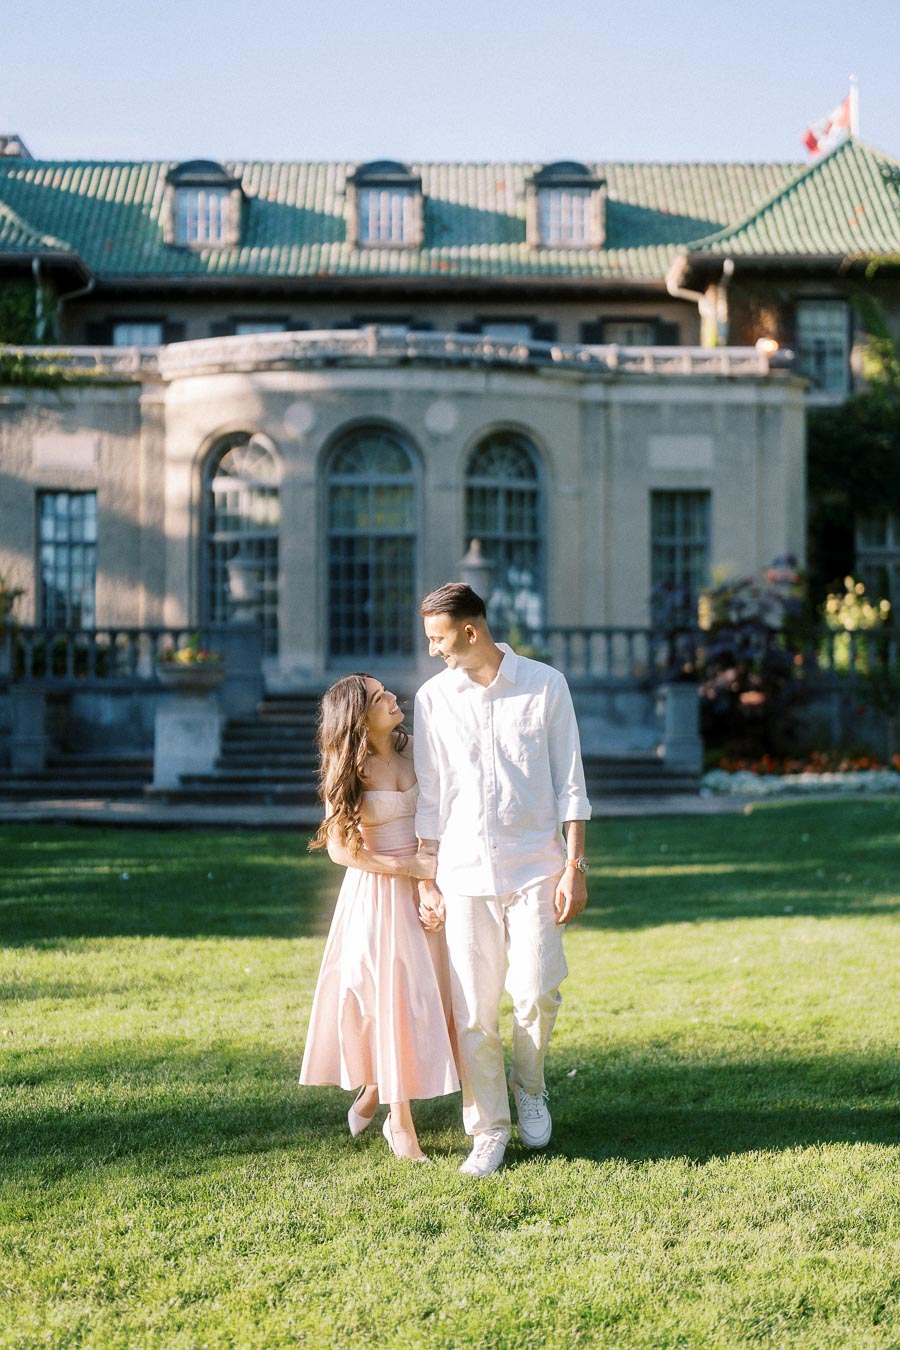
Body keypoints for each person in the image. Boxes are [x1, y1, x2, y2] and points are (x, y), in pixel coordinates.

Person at [413, 583, 591, 1177]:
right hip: (462, 874)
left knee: (537, 991)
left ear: (470, 630)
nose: (433, 650)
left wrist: (575, 865)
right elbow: (431, 796)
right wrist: (425, 878)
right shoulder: (433, 699)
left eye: (438, 638)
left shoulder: (546, 685)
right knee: (473, 1011)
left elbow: (571, 784)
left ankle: (530, 1088)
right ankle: (487, 1127)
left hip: (536, 869)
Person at [300, 673, 458, 1162]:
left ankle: (373, 1088)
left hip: (427, 885)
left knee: (428, 998)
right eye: (378, 697)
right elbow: (342, 853)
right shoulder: (347, 768)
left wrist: (429, 880)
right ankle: (401, 1123)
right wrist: (407, 868)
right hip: (379, 891)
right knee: (389, 1001)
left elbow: (439, 813)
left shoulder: (416, 750)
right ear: (358, 717)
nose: (393, 697)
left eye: (387, 691)